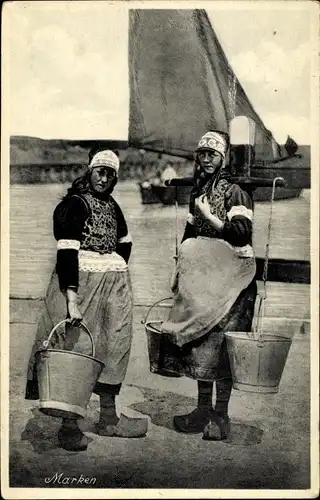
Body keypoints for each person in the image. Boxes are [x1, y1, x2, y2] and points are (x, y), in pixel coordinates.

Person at [25, 148, 147, 451]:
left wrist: (114, 269)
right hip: (80, 285)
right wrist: (72, 299)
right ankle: (69, 426)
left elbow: (125, 243)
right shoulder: (75, 205)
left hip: (113, 287)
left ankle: (108, 417)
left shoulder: (113, 206)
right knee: (76, 349)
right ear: (89, 170)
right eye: (99, 171)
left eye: (110, 173)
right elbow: (66, 253)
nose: (104, 178)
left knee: (114, 346)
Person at [160, 130, 257, 440]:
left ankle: (221, 415)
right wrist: (179, 268)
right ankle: (202, 409)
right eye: (201, 153)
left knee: (224, 346)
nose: (205, 159)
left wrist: (209, 217)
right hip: (202, 282)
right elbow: (190, 233)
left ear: (223, 157)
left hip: (232, 283)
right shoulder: (198, 192)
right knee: (202, 345)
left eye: (212, 154)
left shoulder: (236, 192)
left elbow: (241, 233)